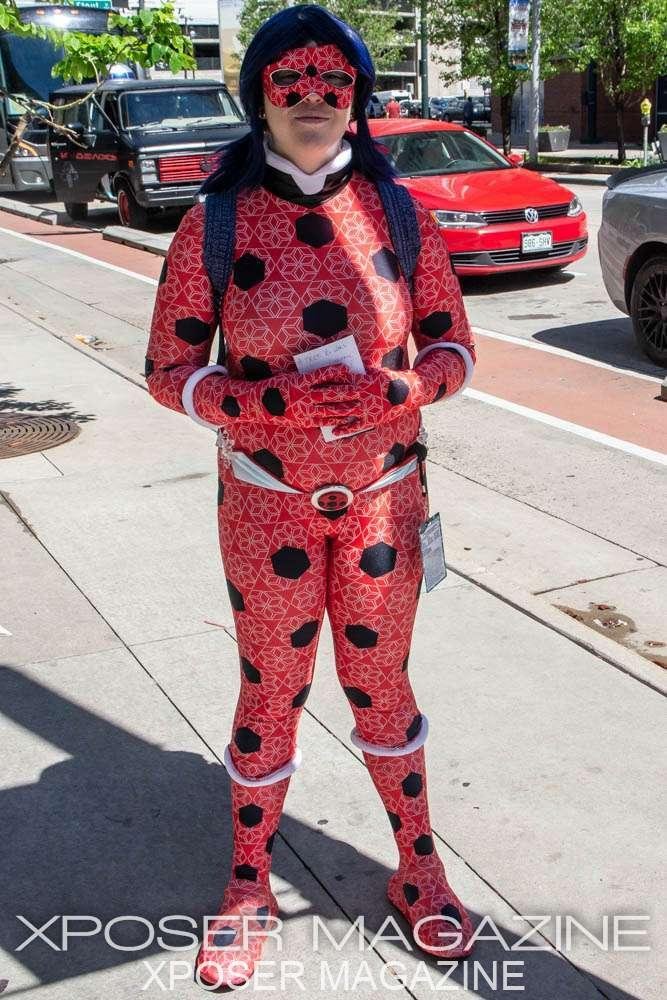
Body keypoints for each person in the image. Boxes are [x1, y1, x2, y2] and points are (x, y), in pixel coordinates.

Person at [145, 3, 477, 989]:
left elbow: (455, 346)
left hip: (383, 499)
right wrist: (260, 402)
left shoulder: (399, 214)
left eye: (333, 80)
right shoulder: (213, 223)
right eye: (289, 79)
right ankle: (248, 884)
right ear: (258, 95)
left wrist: (403, 390)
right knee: (271, 689)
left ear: (357, 98)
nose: (313, 97)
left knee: (382, 686)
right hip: (265, 503)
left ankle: (418, 870)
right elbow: (167, 371)